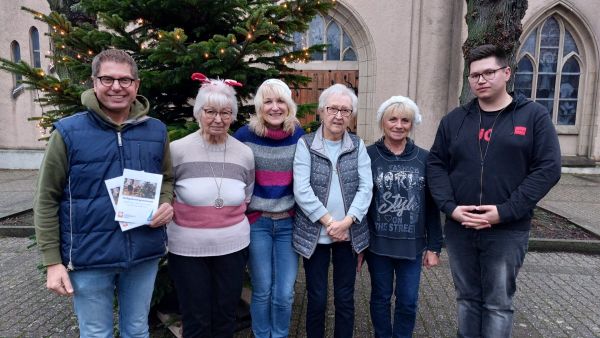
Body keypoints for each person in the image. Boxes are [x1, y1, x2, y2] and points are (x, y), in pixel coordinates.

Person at [33, 48, 174, 337]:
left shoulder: (156, 131)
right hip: (89, 256)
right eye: (107, 79)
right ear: (94, 83)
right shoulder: (68, 133)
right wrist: (52, 262)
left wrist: (165, 202)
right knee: (96, 332)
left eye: (125, 80)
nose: (117, 87)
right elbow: (47, 198)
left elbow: (167, 178)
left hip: (142, 253)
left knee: (137, 329)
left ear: (136, 85)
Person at [427, 44, 561, 337]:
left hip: (506, 230)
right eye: (474, 75)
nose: (480, 80)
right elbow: (436, 164)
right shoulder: (455, 120)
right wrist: (450, 207)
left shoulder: (533, 116)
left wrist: (505, 211)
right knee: (467, 299)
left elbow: (548, 169)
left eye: (488, 72)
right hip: (461, 228)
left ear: (507, 73)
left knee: (498, 303)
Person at [167, 73, 254, 338]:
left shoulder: (244, 153)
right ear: (198, 112)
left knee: (226, 314)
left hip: (232, 247)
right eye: (210, 111)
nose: (218, 119)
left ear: (233, 115)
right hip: (187, 250)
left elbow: (246, 195)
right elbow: (165, 195)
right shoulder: (176, 150)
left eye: (226, 112)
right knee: (196, 318)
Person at [293, 83, 373, 338]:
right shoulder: (306, 145)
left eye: (345, 110)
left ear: (352, 115)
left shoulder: (358, 145)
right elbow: (302, 190)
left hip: (348, 236)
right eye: (333, 109)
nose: (338, 116)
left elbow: (366, 187)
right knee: (316, 298)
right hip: (315, 235)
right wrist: (331, 223)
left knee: (345, 298)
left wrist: (347, 222)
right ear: (321, 111)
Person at [366, 96, 443, 338]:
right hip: (378, 244)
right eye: (393, 119)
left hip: (412, 246)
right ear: (383, 122)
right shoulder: (368, 156)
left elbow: (432, 206)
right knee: (380, 298)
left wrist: (434, 247)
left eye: (405, 120)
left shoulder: (424, 158)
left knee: (408, 301)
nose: (398, 125)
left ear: (412, 124)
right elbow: (362, 203)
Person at [233, 79, 304, 338]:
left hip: (288, 223)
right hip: (257, 223)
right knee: (262, 289)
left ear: (289, 105)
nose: (275, 107)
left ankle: (280, 334)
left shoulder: (299, 135)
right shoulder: (244, 136)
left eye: (280, 101)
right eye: (268, 101)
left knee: (285, 291)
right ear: (259, 106)